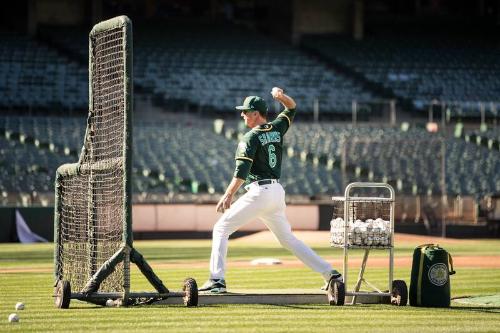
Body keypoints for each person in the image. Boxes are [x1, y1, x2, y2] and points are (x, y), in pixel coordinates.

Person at [199, 87, 341, 293]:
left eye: (246, 111)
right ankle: (331, 274)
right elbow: (292, 107)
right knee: (288, 240)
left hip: (259, 192)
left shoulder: (250, 138)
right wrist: (282, 97)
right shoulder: (276, 128)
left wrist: (228, 194)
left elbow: (241, 172)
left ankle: (217, 280)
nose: (242, 114)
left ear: (256, 114)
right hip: (276, 192)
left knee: (221, 229)